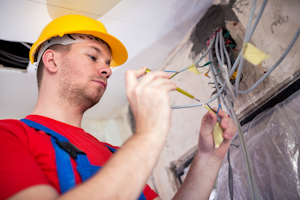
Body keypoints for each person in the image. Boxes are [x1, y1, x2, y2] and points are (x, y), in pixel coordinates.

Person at [0, 15, 236, 200]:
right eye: (93, 57)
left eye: (107, 63)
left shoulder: (117, 154)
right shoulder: (9, 136)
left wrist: (207, 158)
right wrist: (149, 133)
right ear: (52, 61)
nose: (107, 70)